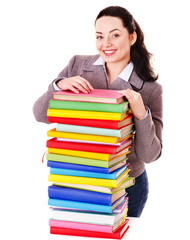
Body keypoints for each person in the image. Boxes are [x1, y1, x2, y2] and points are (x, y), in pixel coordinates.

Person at [33, 6, 163, 217]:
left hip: (127, 184)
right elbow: (40, 114)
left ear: (132, 37)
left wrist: (142, 115)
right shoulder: (77, 65)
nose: (106, 44)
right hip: (79, 177)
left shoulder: (150, 88)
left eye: (115, 35)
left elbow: (150, 155)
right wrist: (59, 85)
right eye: (100, 36)